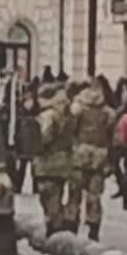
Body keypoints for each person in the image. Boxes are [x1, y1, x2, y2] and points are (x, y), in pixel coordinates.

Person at [67, 79, 116, 240]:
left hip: (79, 154)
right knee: (94, 195)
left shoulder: (77, 108)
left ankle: (71, 224)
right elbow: (112, 135)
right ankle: (93, 228)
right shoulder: (107, 111)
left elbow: (70, 130)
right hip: (99, 156)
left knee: (74, 194)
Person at [32, 82, 75, 236]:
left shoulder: (49, 115)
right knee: (56, 195)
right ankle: (59, 224)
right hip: (64, 161)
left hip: (48, 162)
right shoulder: (68, 114)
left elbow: (45, 137)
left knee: (48, 197)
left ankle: (54, 229)